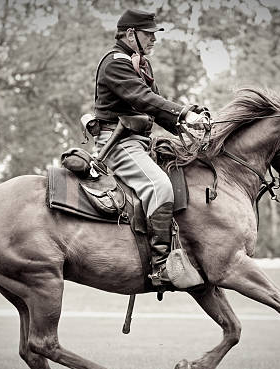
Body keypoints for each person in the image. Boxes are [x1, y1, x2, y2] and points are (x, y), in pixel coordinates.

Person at [93, 9, 205, 286]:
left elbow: (154, 107)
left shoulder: (140, 62)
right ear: (131, 35)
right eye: (149, 34)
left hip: (141, 141)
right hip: (118, 143)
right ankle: (161, 267)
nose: (154, 39)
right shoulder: (115, 63)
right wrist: (183, 113)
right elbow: (143, 98)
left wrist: (186, 128)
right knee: (160, 187)